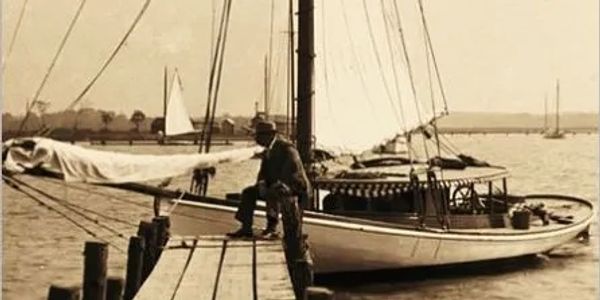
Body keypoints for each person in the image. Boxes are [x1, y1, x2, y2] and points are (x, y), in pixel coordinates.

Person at [227, 120, 311, 238]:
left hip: (295, 187)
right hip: (276, 185)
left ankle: (271, 228)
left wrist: (274, 184)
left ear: (270, 135)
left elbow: (292, 172)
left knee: (274, 191)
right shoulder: (268, 150)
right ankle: (246, 227)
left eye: (259, 136)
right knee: (248, 192)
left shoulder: (287, 149)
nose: (257, 139)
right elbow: (263, 172)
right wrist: (261, 184)